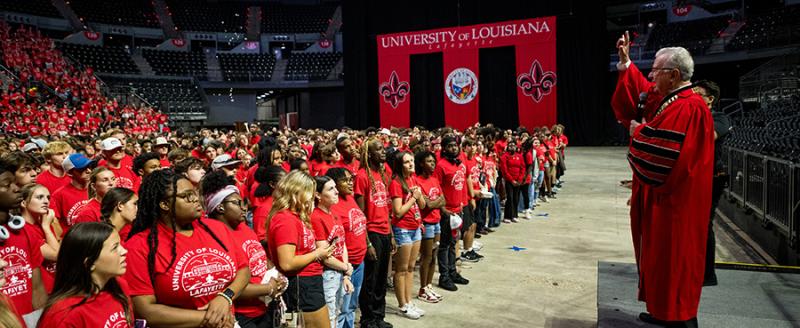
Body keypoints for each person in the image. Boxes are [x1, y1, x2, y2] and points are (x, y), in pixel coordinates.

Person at [614, 32, 714, 327]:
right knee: (659, 259)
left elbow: (664, 150)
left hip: (676, 203)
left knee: (674, 260)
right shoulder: (674, 99)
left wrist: (637, 133)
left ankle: (677, 317)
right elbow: (642, 92)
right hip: (666, 199)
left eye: (656, 71)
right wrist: (625, 63)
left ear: (673, 74)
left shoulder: (689, 107)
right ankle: (662, 310)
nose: (651, 76)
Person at [124, 169, 250, 328]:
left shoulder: (217, 229)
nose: (195, 199)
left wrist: (225, 296)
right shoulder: (139, 246)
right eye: (186, 196)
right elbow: (145, 310)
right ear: (164, 204)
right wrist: (209, 317)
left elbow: (243, 269)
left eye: (195, 193)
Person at [202, 171, 287, 328]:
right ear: (220, 207)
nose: (244, 208)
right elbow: (229, 285)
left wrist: (276, 274)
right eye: (237, 203)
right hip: (242, 313)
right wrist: (268, 288)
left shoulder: (244, 228)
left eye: (243, 203)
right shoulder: (214, 237)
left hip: (264, 307)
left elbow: (258, 255)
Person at [266, 171, 334, 328]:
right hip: (301, 286)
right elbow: (287, 263)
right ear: (297, 192)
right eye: (310, 192)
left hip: (306, 284)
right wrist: (317, 253)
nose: (313, 198)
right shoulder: (285, 220)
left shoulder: (295, 216)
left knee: (294, 325)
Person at [37, 222, 133, 327]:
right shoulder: (64, 316)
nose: (124, 251)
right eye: (115, 248)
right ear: (89, 263)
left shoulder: (119, 286)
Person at [353, 138, 395, 328]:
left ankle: (379, 316)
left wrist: (392, 234)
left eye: (384, 148)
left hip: (385, 231)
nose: (383, 152)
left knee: (381, 279)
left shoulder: (385, 174)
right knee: (371, 279)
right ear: (369, 154)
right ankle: (368, 319)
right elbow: (361, 214)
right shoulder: (362, 176)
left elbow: (386, 208)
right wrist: (367, 243)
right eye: (379, 149)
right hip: (372, 233)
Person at [693, 80, 731, 287]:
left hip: (713, 177)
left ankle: (708, 274)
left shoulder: (720, 118)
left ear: (710, 99)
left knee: (704, 224)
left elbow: (710, 135)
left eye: (698, 94)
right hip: (697, 176)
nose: (693, 97)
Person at [0, 165, 47, 326]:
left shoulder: (24, 230)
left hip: (29, 318)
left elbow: (37, 285)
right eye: (6, 185)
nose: (15, 189)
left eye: (14, 183)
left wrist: (42, 319)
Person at [325, 168, 368, 328]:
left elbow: (361, 223)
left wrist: (368, 244)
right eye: (346, 180)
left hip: (359, 262)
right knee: (341, 309)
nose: (351, 183)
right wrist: (344, 269)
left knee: (351, 307)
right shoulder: (333, 206)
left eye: (351, 179)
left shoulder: (350, 198)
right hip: (343, 266)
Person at [310, 175, 354, 328]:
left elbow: (342, 244)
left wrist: (346, 273)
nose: (336, 192)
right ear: (318, 195)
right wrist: (345, 267)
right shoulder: (316, 217)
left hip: (340, 272)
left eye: (335, 187)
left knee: (338, 313)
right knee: (329, 317)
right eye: (331, 189)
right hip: (328, 274)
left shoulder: (334, 213)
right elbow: (324, 255)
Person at [388, 151, 426, 319]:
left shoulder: (413, 179)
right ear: (399, 165)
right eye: (407, 162)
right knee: (401, 269)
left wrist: (419, 194)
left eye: (412, 160)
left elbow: (423, 205)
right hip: (403, 229)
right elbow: (397, 212)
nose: (411, 164)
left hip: (415, 227)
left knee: (411, 268)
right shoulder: (396, 183)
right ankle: (402, 304)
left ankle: (409, 301)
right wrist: (413, 198)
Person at [433, 136, 470, 291]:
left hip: (457, 210)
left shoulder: (459, 164)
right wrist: (443, 210)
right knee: (445, 245)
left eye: (455, 145)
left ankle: (453, 271)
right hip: (446, 212)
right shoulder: (441, 166)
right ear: (444, 148)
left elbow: (460, 187)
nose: (454, 148)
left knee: (454, 243)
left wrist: (462, 203)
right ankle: (444, 276)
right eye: (450, 146)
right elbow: (436, 188)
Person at [413, 151, 445, 303]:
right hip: (427, 223)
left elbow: (443, 200)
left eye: (434, 161)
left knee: (434, 256)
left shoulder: (434, 179)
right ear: (421, 163)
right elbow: (426, 205)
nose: (432, 164)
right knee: (426, 257)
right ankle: (422, 289)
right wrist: (435, 202)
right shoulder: (417, 181)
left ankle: (429, 285)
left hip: (437, 221)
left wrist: (435, 202)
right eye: (429, 161)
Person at [20, 184, 61, 293]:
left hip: (56, 283)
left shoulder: (43, 222)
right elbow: (57, 255)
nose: (46, 201)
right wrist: (46, 227)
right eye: (39, 197)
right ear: (24, 203)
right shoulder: (24, 229)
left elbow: (60, 246)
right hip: (42, 289)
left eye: (48, 197)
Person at [50, 153, 95, 231]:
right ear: (70, 173)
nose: (89, 171)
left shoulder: (96, 188)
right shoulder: (59, 195)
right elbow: (54, 223)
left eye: (89, 167)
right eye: (82, 168)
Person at [500, 141, 524, 223]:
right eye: (510, 145)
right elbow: (504, 170)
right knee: (509, 198)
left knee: (516, 198)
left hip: (518, 181)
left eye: (513, 145)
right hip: (509, 180)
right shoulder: (504, 156)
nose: (512, 147)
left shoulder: (519, 156)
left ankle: (514, 215)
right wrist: (511, 180)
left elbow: (522, 168)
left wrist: (520, 179)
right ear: (507, 147)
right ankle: (507, 216)